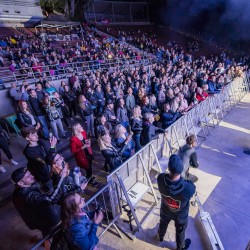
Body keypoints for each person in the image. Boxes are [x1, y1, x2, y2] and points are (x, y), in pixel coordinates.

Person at [157, 154, 196, 250]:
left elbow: (164, 178)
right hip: (180, 215)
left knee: (163, 223)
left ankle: (161, 236)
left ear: (169, 168)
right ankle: (180, 247)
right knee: (180, 231)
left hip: (165, 210)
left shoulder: (160, 178)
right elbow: (192, 189)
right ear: (181, 169)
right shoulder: (188, 188)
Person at [11, 167, 61, 237]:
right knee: (49, 233)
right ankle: (47, 244)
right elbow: (51, 200)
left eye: (30, 173)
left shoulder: (17, 191)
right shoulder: (29, 195)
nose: (32, 176)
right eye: (28, 176)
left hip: (34, 218)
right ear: (20, 183)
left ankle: (46, 241)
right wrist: (62, 178)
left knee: (46, 232)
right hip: (39, 220)